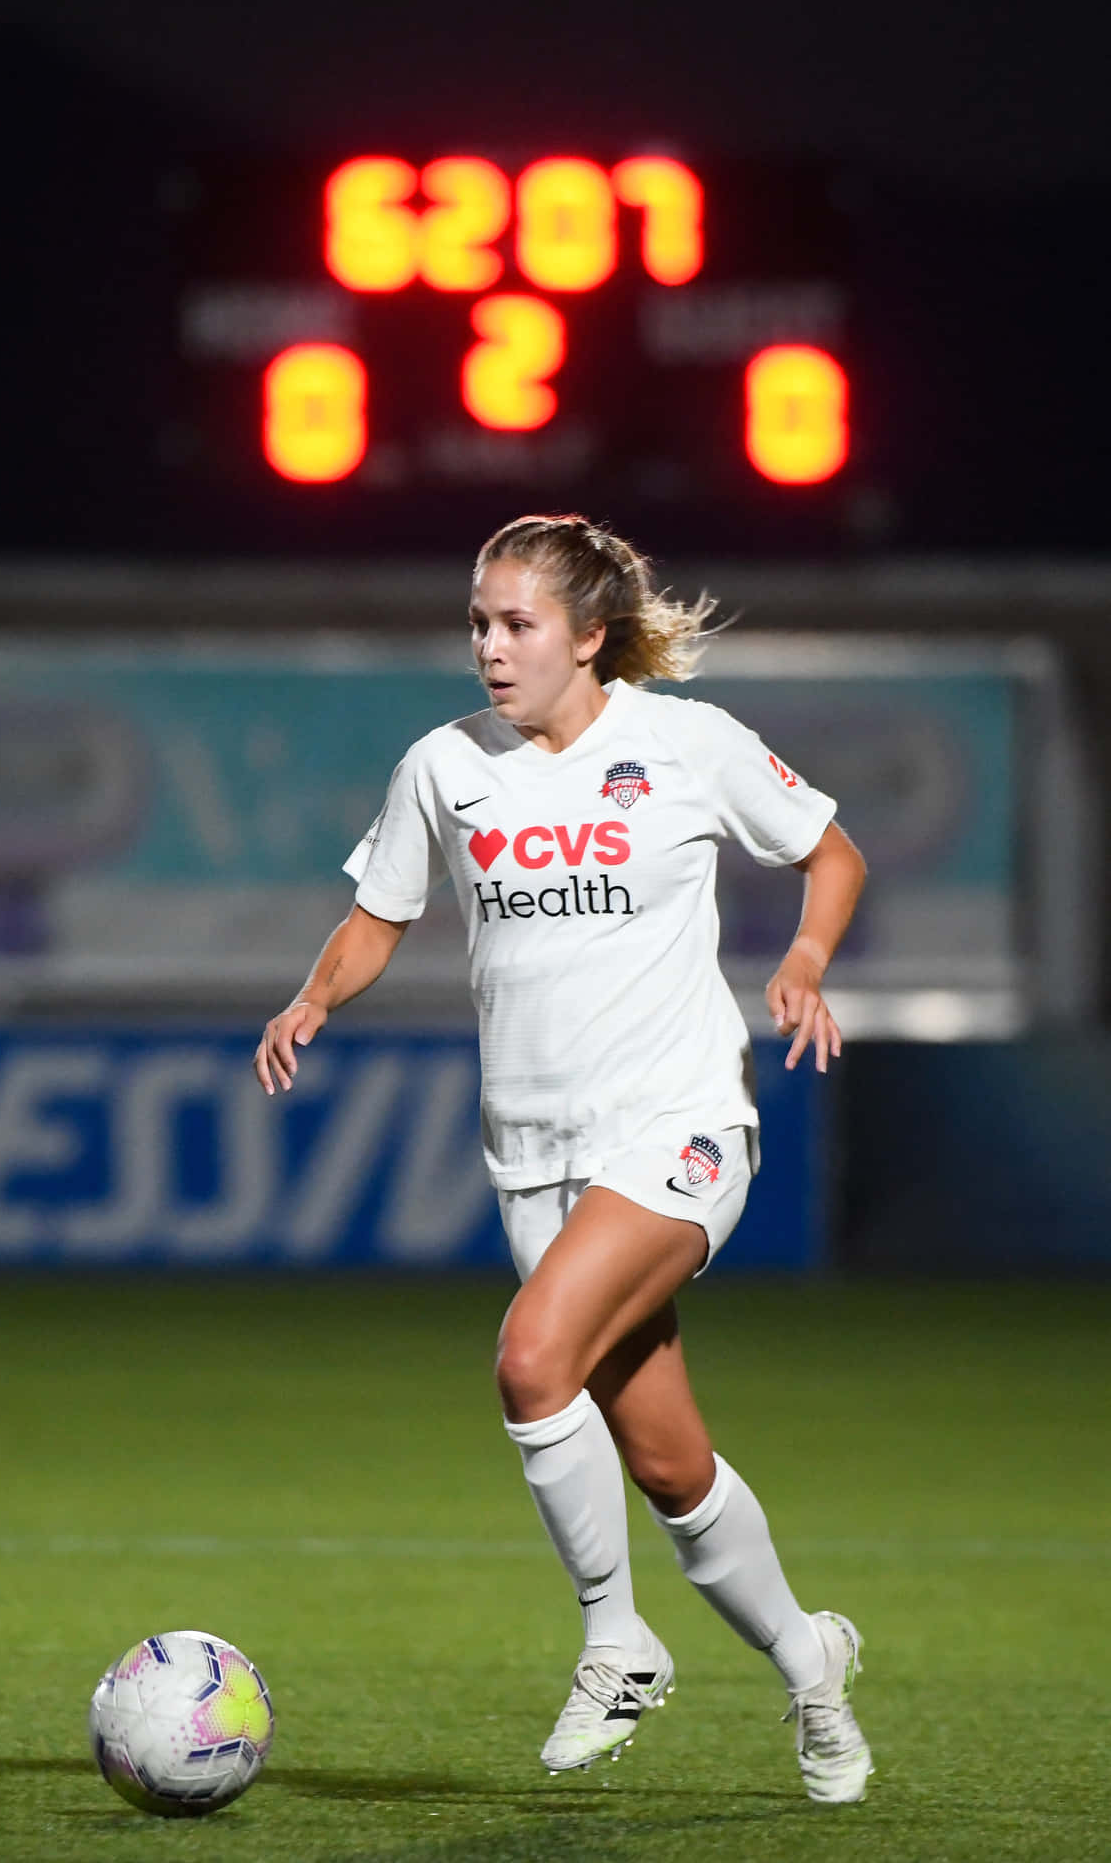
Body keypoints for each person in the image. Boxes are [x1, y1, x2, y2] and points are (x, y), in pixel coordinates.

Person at [253, 513, 872, 1804]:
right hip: (530, 1155)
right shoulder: (446, 765)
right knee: (661, 1459)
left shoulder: (683, 745)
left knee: (531, 1359)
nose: (489, 646)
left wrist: (802, 961)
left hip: (679, 1124)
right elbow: (379, 914)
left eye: (516, 623)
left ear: (589, 637)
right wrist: (313, 999)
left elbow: (829, 851)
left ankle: (614, 1639)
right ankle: (810, 1667)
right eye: (479, 621)